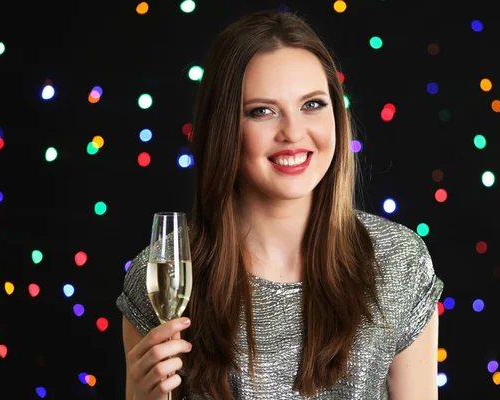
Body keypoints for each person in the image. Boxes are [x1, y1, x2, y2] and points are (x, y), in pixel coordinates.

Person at [116, 8, 444, 400]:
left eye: (312, 105)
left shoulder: (398, 262)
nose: (293, 132)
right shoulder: (165, 274)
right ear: (223, 128)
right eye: (262, 111)